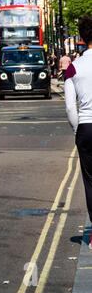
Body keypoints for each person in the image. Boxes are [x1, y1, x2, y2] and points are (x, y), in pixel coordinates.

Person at [64, 15, 92, 247]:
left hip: (87, 127)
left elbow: (70, 107)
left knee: (91, 181)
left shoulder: (74, 68)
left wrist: (77, 129)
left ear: (82, 38)